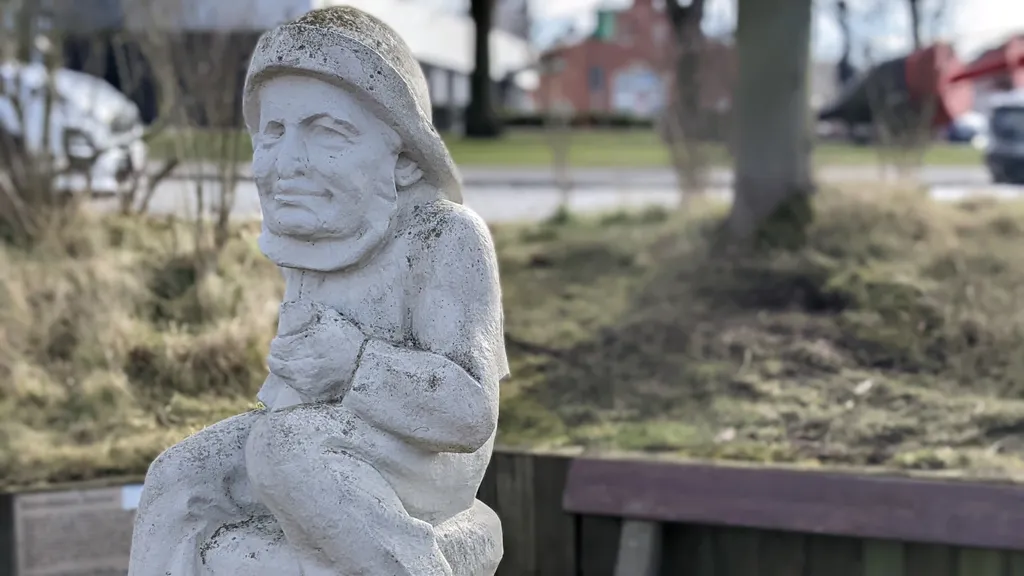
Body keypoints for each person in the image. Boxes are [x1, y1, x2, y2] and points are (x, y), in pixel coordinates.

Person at [127, 7, 508, 576]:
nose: (287, 163)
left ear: (403, 160)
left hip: (427, 455)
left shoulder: (444, 235)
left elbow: (469, 414)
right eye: (272, 133)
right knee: (177, 478)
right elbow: (293, 400)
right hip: (317, 439)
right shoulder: (316, 240)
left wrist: (355, 364)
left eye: (327, 132)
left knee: (282, 447)